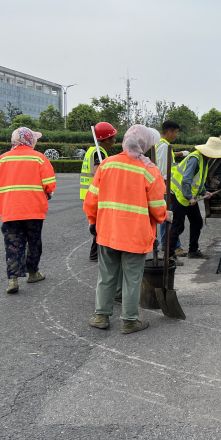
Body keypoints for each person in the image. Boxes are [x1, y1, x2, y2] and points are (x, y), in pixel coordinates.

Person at [84, 125, 169, 334]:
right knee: (132, 279)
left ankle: (101, 316)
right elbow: (158, 209)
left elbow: (91, 199)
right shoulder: (149, 171)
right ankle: (129, 321)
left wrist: (93, 222)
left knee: (106, 276)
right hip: (135, 236)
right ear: (146, 145)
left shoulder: (106, 165)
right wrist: (162, 217)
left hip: (107, 232)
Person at [0, 127, 57, 294]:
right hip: (33, 211)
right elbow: (49, 185)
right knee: (33, 242)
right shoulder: (40, 159)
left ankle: (12, 280)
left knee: (12, 245)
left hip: (9, 211)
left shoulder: (1, 160)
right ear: (29, 140)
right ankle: (33, 273)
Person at [171, 136, 221, 259]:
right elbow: (186, 181)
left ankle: (193, 251)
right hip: (180, 196)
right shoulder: (195, 159)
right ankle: (170, 256)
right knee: (178, 226)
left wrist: (204, 192)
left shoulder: (203, 160)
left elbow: (198, 181)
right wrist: (189, 197)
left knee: (197, 222)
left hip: (188, 196)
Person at [80, 122, 118, 261]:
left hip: (89, 193)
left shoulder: (92, 150)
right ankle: (95, 255)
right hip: (96, 194)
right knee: (100, 224)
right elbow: (98, 173)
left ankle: (96, 254)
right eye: (113, 137)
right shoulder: (98, 152)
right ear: (107, 139)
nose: (115, 140)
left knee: (99, 224)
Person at [156, 120, 190, 265]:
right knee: (168, 217)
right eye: (176, 132)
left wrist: (181, 153)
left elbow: (166, 158)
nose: (176, 135)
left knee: (167, 217)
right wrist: (168, 190)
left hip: (162, 187)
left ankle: (170, 245)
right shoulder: (164, 146)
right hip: (165, 187)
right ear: (169, 132)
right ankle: (170, 246)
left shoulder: (161, 145)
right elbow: (164, 170)